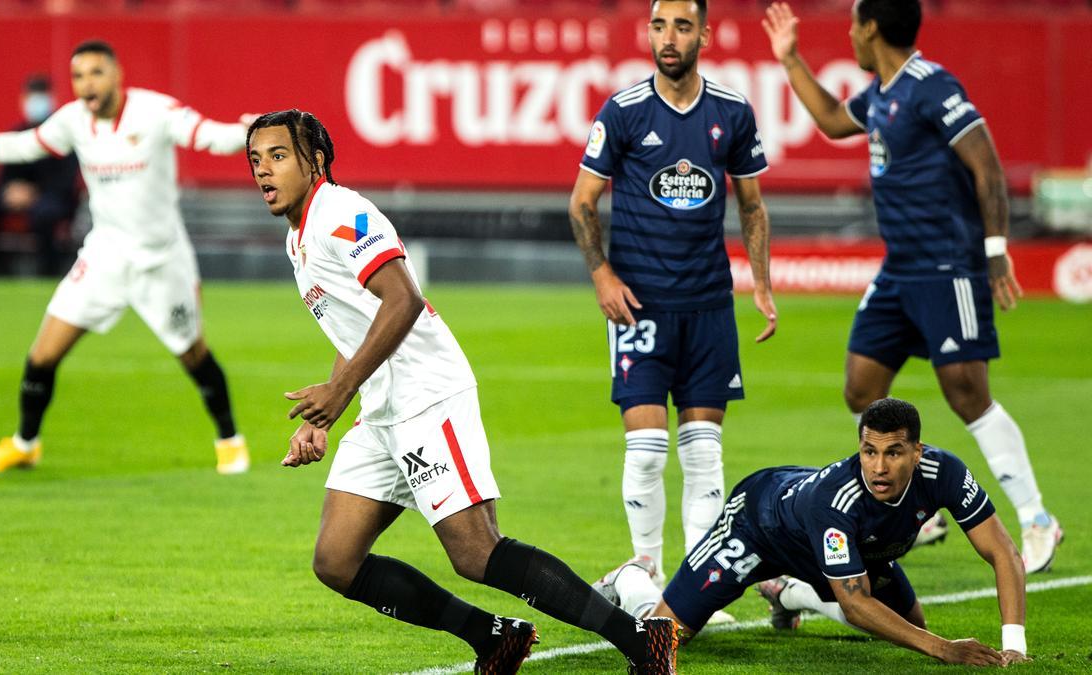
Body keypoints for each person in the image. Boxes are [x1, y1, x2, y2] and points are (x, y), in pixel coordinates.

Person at [248, 108, 678, 674]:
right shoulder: (298, 236)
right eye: (256, 160)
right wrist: (328, 407)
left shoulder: (341, 212)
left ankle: (641, 639)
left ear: (316, 161)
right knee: (336, 560)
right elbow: (357, 323)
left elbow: (401, 298)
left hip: (427, 393)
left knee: (476, 552)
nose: (264, 171)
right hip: (382, 406)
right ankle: (492, 636)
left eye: (278, 156)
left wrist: (340, 389)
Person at [761, 0, 1060, 572]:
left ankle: (1037, 517)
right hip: (900, 270)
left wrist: (995, 251)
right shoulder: (879, 95)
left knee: (967, 392)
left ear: (871, 27)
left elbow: (987, 167)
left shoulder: (931, 85)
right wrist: (791, 59)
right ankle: (907, 508)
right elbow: (829, 121)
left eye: (853, 22)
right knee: (861, 386)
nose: (849, 33)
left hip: (948, 265)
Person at [0, 40, 250, 475]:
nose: (86, 84)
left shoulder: (155, 112)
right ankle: (24, 444)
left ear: (117, 75)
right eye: (78, 76)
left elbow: (209, 136)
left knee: (193, 354)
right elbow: (20, 146)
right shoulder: (73, 121)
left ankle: (230, 441)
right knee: (42, 354)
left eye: (95, 73)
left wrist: (250, 131)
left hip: (160, 261)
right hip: (104, 258)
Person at [568, 0, 778, 587]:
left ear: (704, 36)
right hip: (642, 305)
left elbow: (752, 204)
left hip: (709, 305)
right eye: (659, 25)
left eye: (682, 26)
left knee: (703, 453)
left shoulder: (732, 111)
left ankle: (697, 584)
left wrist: (760, 284)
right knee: (647, 450)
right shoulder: (625, 111)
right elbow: (582, 201)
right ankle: (647, 566)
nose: (668, 37)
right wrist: (602, 275)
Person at [593, 397, 1030, 667]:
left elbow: (1003, 551)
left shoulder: (945, 472)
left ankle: (787, 593)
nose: (879, 467)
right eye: (869, 452)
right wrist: (943, 649)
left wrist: (1014, 645)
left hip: (828, 542)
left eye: (894, 452)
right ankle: (630, 579)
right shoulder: (837, 500)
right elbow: (857, 606)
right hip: (759, 525)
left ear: (918, 451)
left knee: (910, 621)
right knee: (660, 639)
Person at [0, 74, 79, 276]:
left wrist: (34, 193)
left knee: (45, 214)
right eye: (32, 96)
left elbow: (66, 182)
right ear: (23, 100)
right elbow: (5, 176)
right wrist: (10, 191)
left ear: (52, 99)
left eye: (41, 95)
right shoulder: (17, 133)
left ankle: (48, 270)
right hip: (16, 195)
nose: (36, 102)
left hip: (51, 197)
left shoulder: (62, 136)